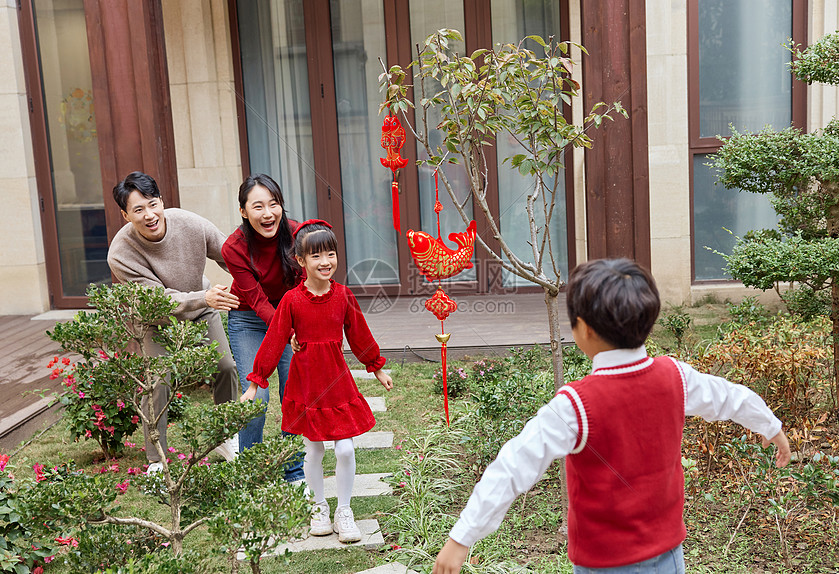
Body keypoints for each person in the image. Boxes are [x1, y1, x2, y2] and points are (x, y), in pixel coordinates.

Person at [433, 258, 791, 574]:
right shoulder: (675, 378)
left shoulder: (575, 405)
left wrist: (463, 536)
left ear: (583, 329)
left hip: (602, 565)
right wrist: (770, 426)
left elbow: (514, 466)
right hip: (669, 557)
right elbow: (729, 397)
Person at [241, 219, 393, 543]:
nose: (325, 262)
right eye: (316, 256)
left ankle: (344, 510)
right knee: (313, 451)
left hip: (336, 380)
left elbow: (358, 332)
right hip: (306, 382)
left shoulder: (343, 295)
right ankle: (319, 507)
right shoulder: (292, 301)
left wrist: (375, 365)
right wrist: (256, 379)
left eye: (331, 254)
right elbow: (274, 339)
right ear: (300, 261)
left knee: (346, 450)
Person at [107, 171, 240, 473]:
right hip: (155, 320)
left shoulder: (190, 224)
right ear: (125, 215)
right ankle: (156, 459)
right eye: (138, 210)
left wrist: (257, 284)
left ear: (162, 202)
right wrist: (205, 298)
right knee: (157, 383)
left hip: (200, 307)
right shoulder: (120, 253)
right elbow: (159, 301)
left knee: (226, 367)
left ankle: (224, 435)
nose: (149, 215)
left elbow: (231, 256)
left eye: (153, 204)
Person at [221, 173, 305, 480]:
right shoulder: (233, 247)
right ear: (243, 211)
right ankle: (251, 471)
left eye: (274, 204)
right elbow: (256, 300)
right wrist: (288, 330)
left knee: (293, 394)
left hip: (291, 319)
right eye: (258, 206)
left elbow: (308, 285)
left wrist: (299, 327)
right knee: (256, 397)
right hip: (249, 320)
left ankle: (293, 470)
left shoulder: (298, 236)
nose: (267, 213)